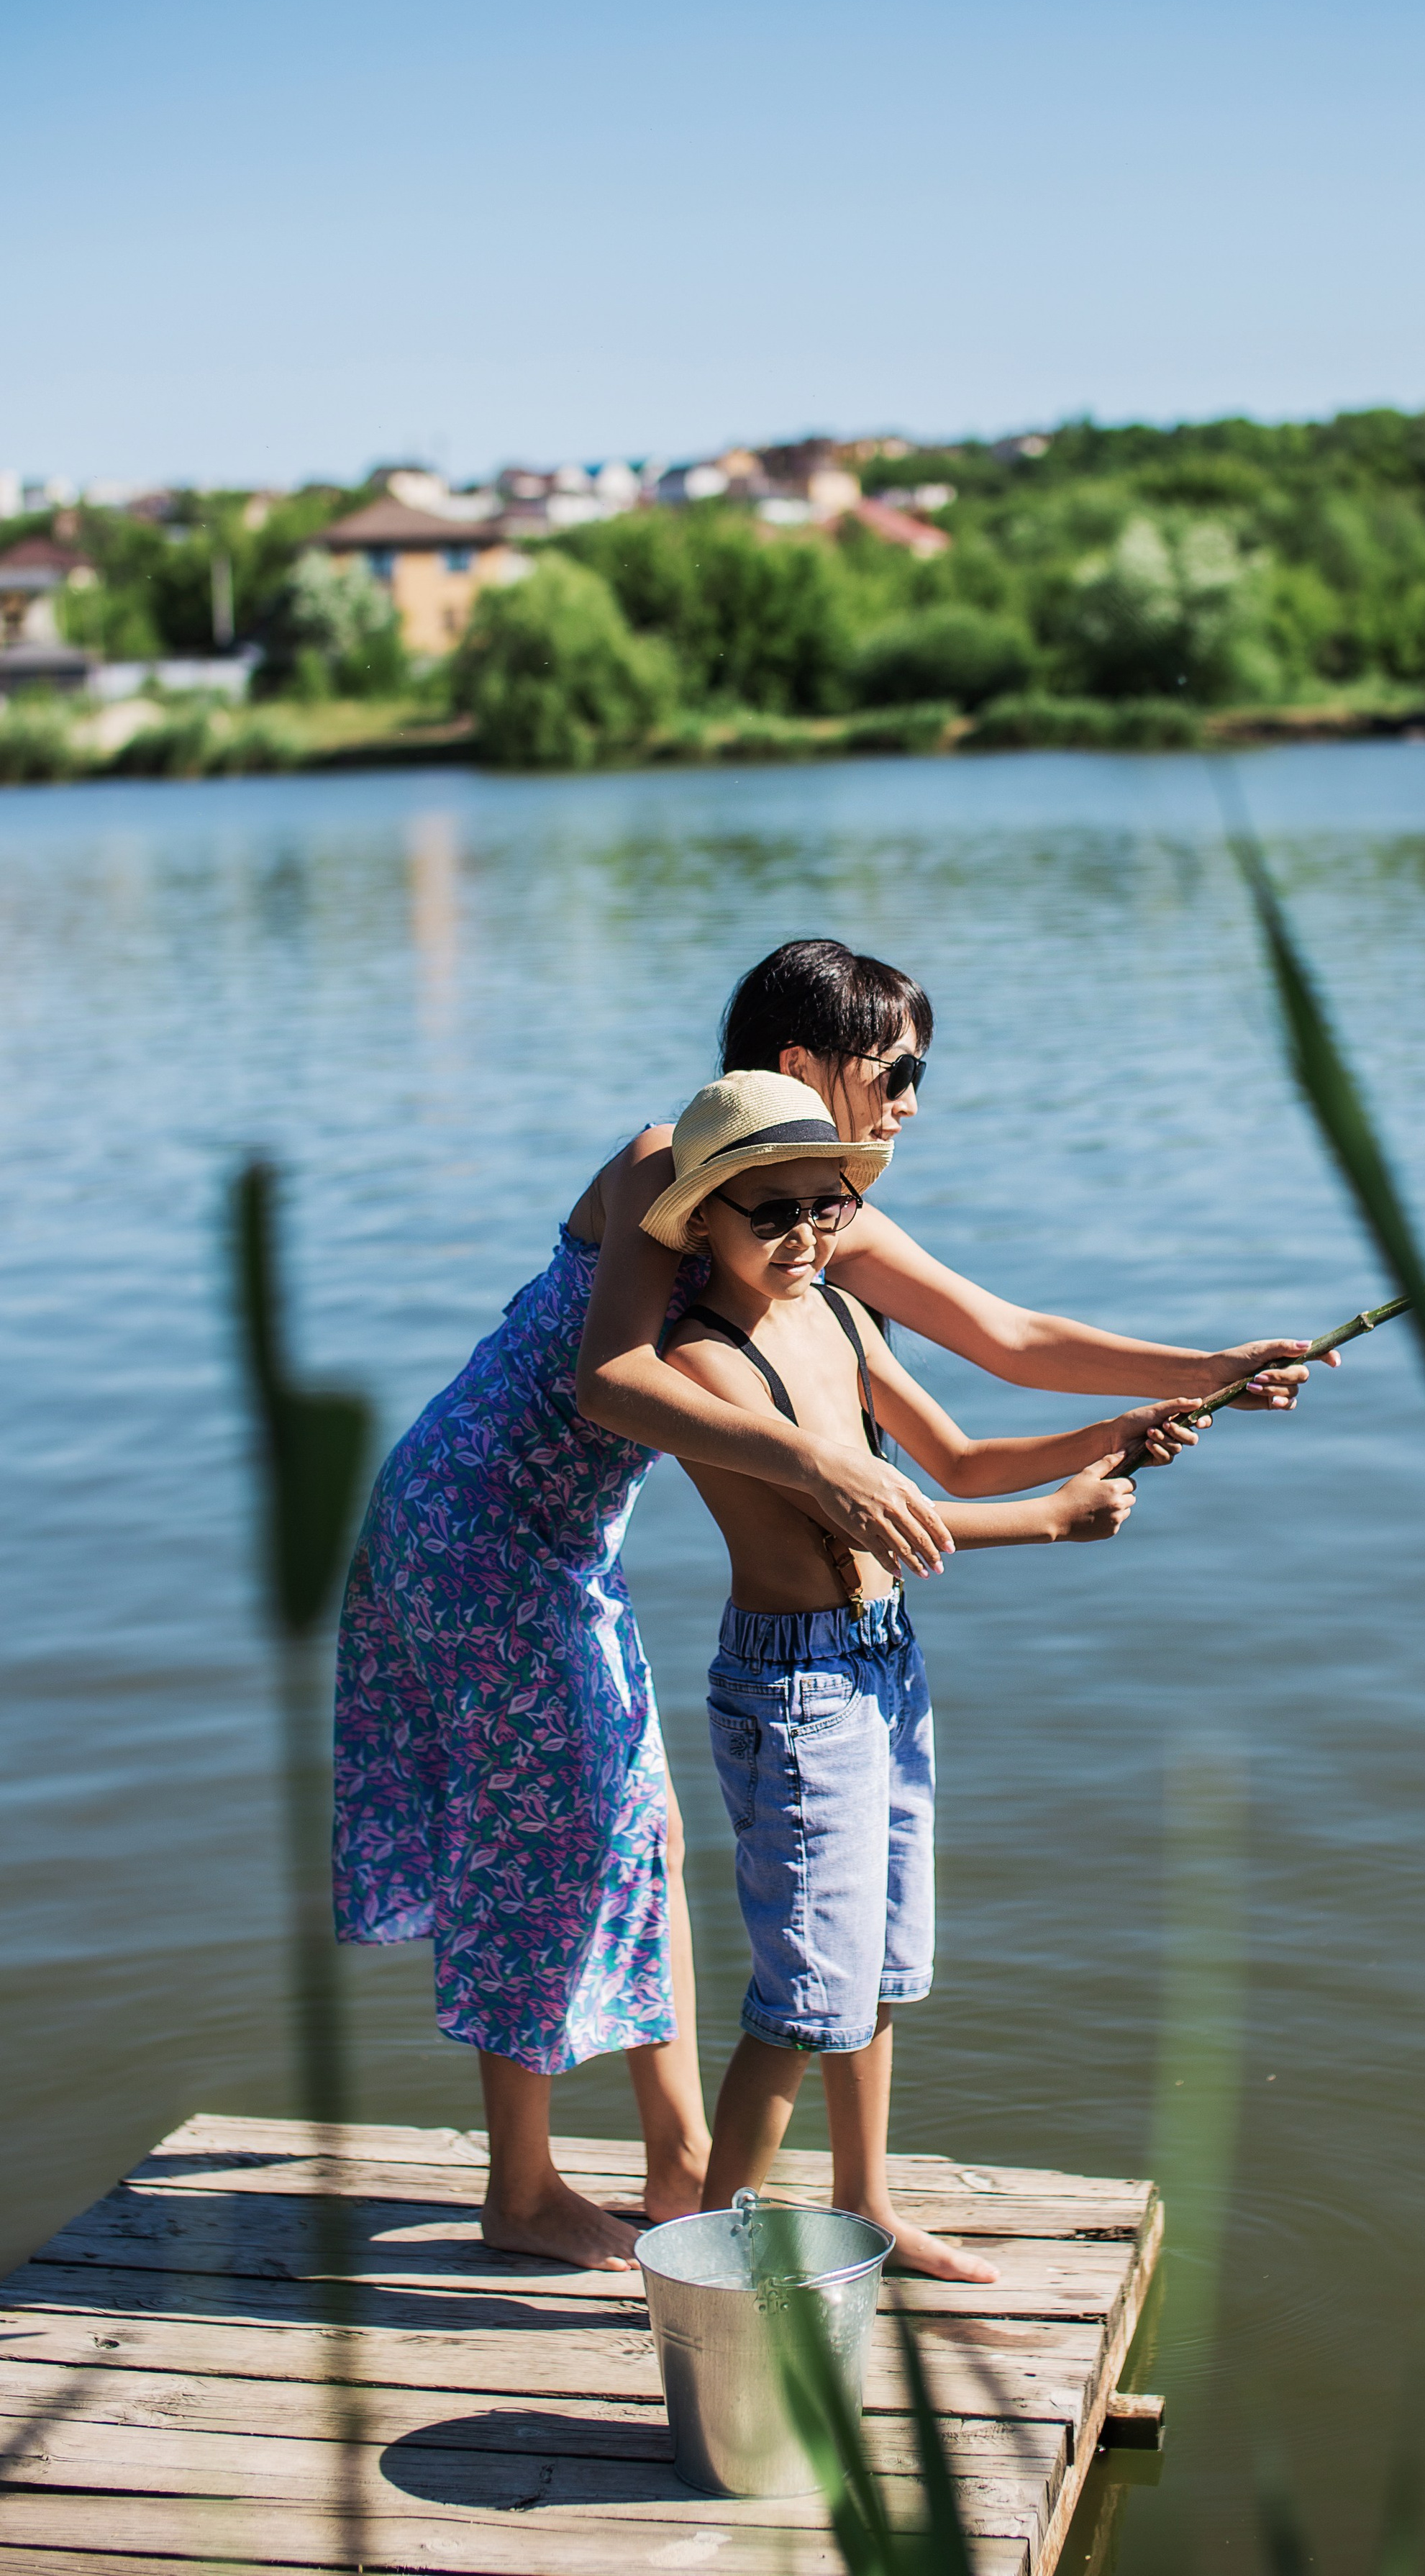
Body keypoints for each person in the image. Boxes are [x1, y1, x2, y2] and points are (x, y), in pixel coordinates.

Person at [334, 937, 1328, 2272]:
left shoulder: (811, 1215)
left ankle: (683, 2163)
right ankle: (522, 2188)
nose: (914, 1098)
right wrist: (819, 1461)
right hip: (476, 1524)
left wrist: (1210, 1366)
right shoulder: (670, 1171)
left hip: (570, 1535)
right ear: (800, 1067)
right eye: (896, 1068)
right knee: (564, 1832)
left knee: (643, 1827)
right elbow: (612, 1384)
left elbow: (1008, 1341)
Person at [651, 1071, 1198, 2281]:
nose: (804, 1236)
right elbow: (857, 1519)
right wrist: (1053, 1521)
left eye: (825, 1209)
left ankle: (871, 2200)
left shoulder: (840, 1317)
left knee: (881, 1962)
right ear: (703, 1222)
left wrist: (1115, 1434)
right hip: (795, 1693)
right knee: (801, 1993)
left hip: (884, 1664)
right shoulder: (703, 1358)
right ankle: (710, 2270)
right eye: (770, 1214)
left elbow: (953, 1454)